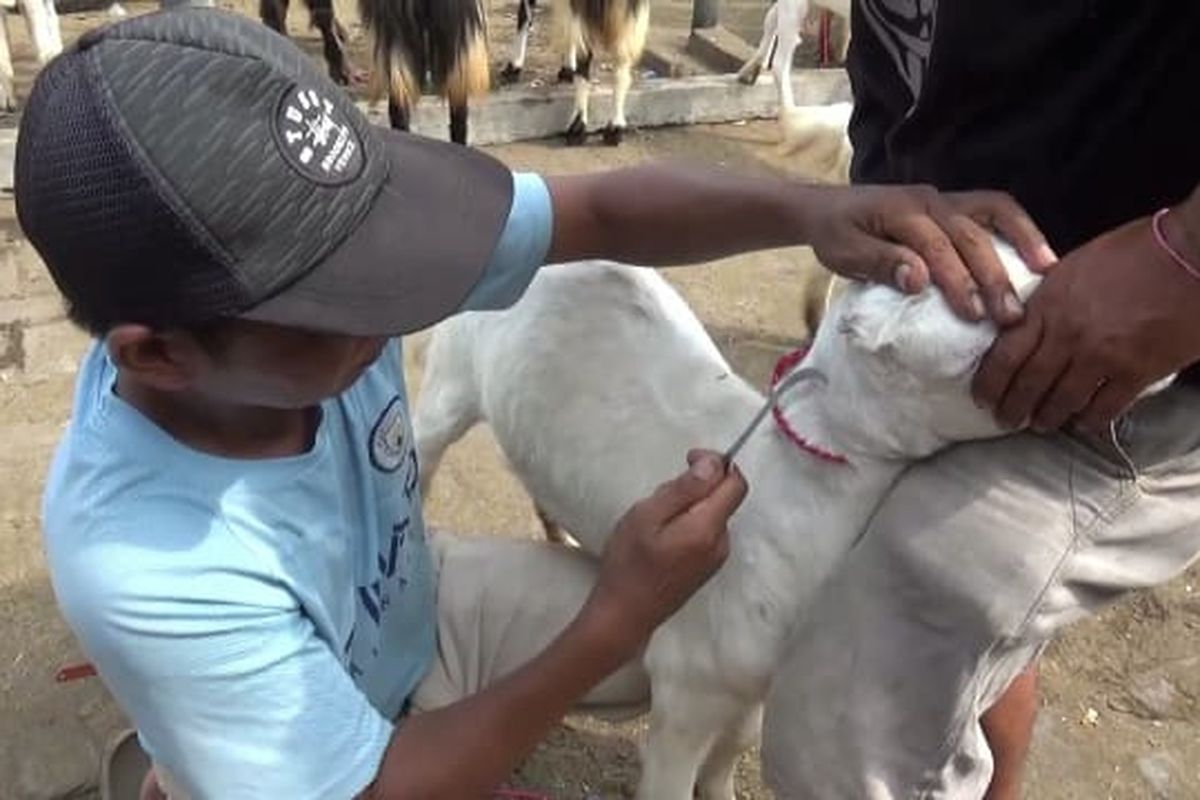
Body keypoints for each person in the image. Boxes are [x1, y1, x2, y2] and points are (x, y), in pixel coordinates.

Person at [21, 8, 1052, 800]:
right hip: (360, 748)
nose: (403, 302)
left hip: (418, 608)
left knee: (691, 650)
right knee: (634, 637)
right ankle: (218, 760)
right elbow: (379, 788)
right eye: (343, 305)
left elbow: (598, 207)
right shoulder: (149, 562)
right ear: (157, 354)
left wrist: (814, 210)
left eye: (380, 252)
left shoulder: (289, 297)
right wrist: (613, 615)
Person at [761, 3, 1200, 799]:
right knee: (944, 635)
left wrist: (1188, 258)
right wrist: (876, 205)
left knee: (850, 713)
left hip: (1132, 370)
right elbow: (902, 69)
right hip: (945, 325)